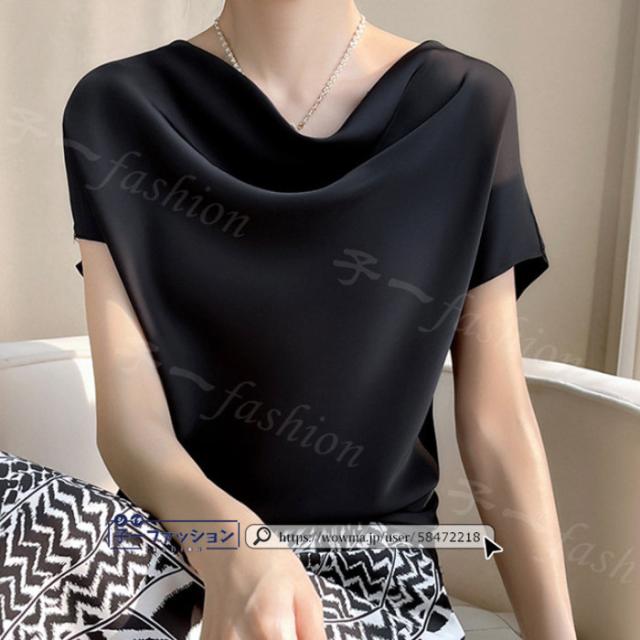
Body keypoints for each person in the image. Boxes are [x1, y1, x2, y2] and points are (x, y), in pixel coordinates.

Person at [57, 1, 577, 638]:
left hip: (368, 575)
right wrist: (232, 543)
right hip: (170, 546)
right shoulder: (116, 106)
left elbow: (497, 421)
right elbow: (130, 426)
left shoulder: (466, 105)